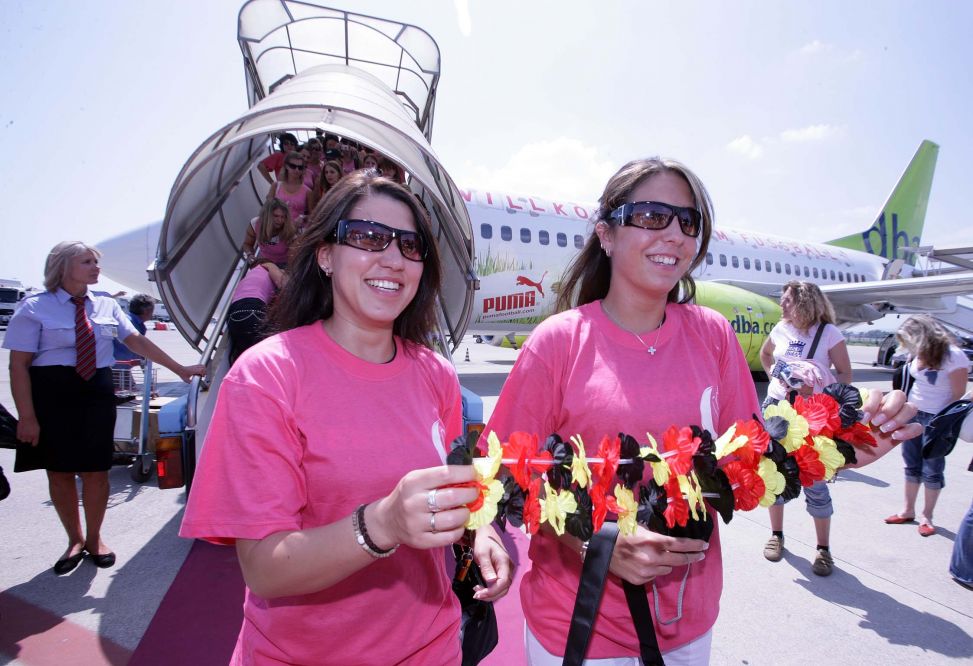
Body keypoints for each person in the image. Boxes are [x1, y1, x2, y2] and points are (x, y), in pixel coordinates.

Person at [482, 157, 919, 665]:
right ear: (605, 234)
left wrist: (844, 445)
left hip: (688, 624)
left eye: (687, 222)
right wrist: (593, 544)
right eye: (650, 217)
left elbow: (753, 458)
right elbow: (502, 475)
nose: (672, 234)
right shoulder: (558, 342)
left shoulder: (713, 335)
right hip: (579, 627)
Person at [180, 170, 512, 664]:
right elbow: (264, 569)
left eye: (409, 245)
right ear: (326, 256)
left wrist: (482, 532)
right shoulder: (268, 375)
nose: (393, 258)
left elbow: (458, 490)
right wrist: (382, 523)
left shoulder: (437, 374)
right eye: (367, 237)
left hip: (431, 649)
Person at [3, 242, 205, 575]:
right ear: (63, 267)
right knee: (60, 472)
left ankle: (95, 538)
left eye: (96, 262)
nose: (96, 267)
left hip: (96, 394)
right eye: (87, 262)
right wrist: (27, 416)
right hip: (52, 397)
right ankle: (74, 539)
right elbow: (18, 366)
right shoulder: (34, 308)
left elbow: (136, 342)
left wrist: (180, 369)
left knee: (97, 471)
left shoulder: (107, 307)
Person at [758, 280, 852, 575]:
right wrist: (777, 374)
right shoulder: (780, 329)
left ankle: (823, 549)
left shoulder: (829, 333)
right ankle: (776, 535)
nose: (781, 305)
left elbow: (845, 372)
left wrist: (827, 401)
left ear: (804, 301)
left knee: (816, 481)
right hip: (776, 408)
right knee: (775, 476)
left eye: (787, 300)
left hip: (811, 415)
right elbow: (765, 356)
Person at [885, 315, 970, 536]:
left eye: (909, 340)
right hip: (912, 413)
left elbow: (958, 394)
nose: (908, 347)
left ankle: (927, 516)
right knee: (911, 463)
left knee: (932, 469)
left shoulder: (954, 356)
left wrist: (941, 423)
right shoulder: (918, 354)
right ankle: (907, 510)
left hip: (937, 419)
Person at [225, 260, 286, 365]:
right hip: (252, 307)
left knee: (248, 358)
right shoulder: (267, 265)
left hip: (234, 314)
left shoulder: (249, 277)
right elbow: (284, 284)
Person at [112, 293, 156, 393]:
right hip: (117, 369)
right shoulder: (131, 324)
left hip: (121, 368)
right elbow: (142, 349)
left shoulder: (132, 321)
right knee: (126, 395)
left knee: (130, 392)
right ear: (146, 311)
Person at [241, 198, 297, 268]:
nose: (279, 220)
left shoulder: (289, 231)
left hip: (284, 264)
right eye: (276, 216)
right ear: (267, 215)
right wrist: (249, 254)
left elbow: (294, 256)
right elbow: (247, 244)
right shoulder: (255, 224)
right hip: (264, 261)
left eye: (283, 217)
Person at [267, 151, 311, 231]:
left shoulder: (307, 191)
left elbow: (313, 215)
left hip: (296, 232)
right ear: (286, 166)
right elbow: (267, 209)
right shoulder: (276, 186)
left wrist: (302, 217)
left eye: (300, 167)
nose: (297, 170)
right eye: (293, 166)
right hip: (275, 230)